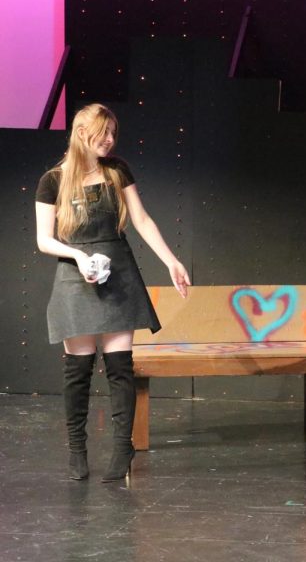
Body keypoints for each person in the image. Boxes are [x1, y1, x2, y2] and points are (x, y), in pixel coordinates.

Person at [35, 103, 190, 482]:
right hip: (76, 277)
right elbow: (44, 240)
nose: (109, 139)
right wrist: (76, 254)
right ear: (82, 132)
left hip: (118, 273)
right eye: (103, 132)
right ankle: (77, 449)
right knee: (79, 371)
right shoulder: (52, 181)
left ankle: (124, 447)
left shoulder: (117, 170)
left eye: (112, 133)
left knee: (120, 367)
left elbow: (141, 219)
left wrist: (171, 261)